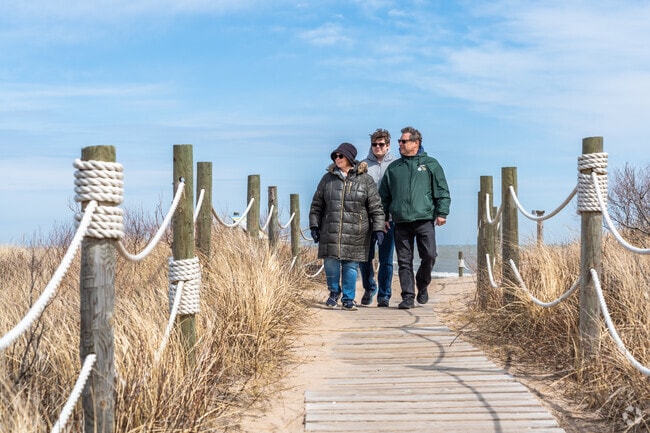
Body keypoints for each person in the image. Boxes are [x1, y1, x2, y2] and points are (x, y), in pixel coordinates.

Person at [378, 126, 451, 309]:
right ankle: (408, 297)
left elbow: (442, 191)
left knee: (430, 255)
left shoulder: (431, 164)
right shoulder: (394, 168)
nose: (400, 144)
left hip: (424, 219)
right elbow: (384, 196)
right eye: (399, 141)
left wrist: (442, 213)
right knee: (404, 261)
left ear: (416, 143)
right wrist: (384, 216)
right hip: (400, 221)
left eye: (404, 141)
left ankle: (422, 284)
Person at [309, 142, 385, 311]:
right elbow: (316, 205)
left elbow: (376, 207)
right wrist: (314, 226)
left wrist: (378, 228)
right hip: (331, 229)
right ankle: (334, 293)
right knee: (331, 263)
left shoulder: (365, 180)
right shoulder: (327, 179)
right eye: (335, 156)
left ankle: (348, 299)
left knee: (351, 266)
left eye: (340, 156)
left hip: (356, 231)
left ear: (350, 157)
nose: (337, 158)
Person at [359, 129, 396, 307]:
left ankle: (384, 294)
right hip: (367, 219)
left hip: (389, 219)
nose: (378, 147)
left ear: (388, 145)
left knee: (386, 259)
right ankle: (369, 287)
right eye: (375, 144)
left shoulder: (396, 164)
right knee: (365, 257)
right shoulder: (363, 165)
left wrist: (389, 217)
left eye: (381, 144)